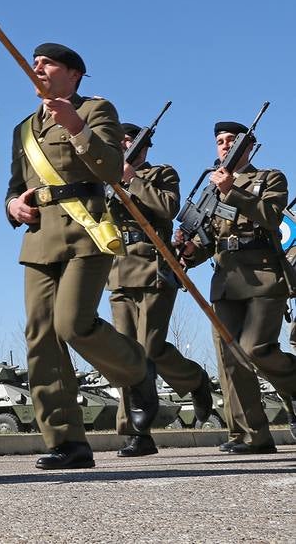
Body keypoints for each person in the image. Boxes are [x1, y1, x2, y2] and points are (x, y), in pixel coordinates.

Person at [4, 43, 158, 470]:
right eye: (34, 63)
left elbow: (111, 170)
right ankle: (67, 442)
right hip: (38, 238)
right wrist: (13, 207)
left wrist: (76, 127)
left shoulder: (95, 109)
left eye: (47, 63)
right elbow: (14, 186)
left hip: (86, 230)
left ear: (73, 74)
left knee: (73, 324)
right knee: (41, 337)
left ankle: (136, 369)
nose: (37, 68)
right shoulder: (23, 130)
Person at [179, 121, 295, 454]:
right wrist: (190, 250)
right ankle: (252, 435)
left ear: (250, 146)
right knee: (231, 360)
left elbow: (272, 218)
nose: (225, 145)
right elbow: (209, 239)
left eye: (232, 140)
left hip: (263, 275)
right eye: (220, 141)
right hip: (227, 279)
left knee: (256, 349)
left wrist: (233, 190)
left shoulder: (269, 178)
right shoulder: (211, 188)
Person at [106, 122, 214, 457]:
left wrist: (132, 179)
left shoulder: (161, 173)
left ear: (143, 147)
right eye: (119, 140)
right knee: (126, 355)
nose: (123, 144)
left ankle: (194, 380)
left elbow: (167, 209)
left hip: (153, 268)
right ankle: (136, 433)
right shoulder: (105, 177)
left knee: (148, 349)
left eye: (129, 140)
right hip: (118, 269)